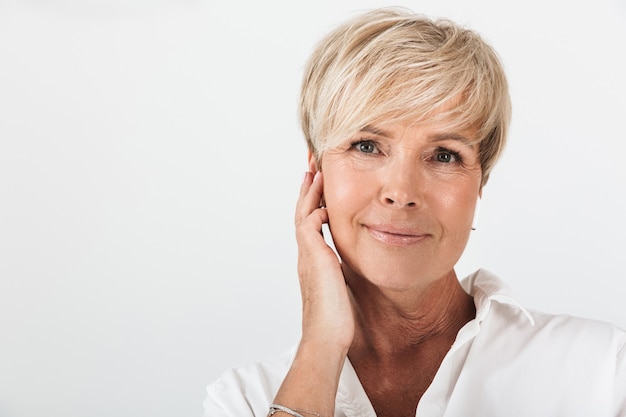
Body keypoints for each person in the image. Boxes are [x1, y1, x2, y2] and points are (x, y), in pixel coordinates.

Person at [203, 7, 626, 417]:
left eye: (444, 155)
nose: (402, 192)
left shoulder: (606, 375)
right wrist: (320, 347)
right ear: (316, 172)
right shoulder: (244, 401)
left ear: (480, 184)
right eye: (366, 146)